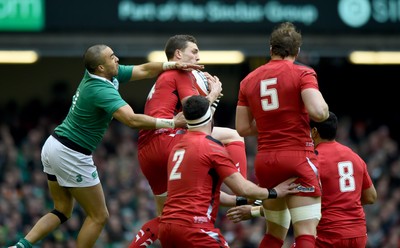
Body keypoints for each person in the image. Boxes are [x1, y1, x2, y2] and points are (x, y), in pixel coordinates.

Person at [10, 44, 203, 248]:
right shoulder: (99, 90)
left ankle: (21, 246)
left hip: (54, 145)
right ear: (101, 68)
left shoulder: (102, 73)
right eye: (112, 57)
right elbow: (132, 120)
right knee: (99, 216)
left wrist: (172, 64)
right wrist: (173, 122)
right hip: (71, 153)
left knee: (62, 210)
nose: (117, 59)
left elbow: (144, 70)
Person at [129, 34, 247, 247]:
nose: (198, 56)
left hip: (147, 151)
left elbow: (197, 117)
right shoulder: (180, 72)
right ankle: (242, 189)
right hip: (169, 142)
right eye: (194, 51)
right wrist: (214, 94)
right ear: (178, 54)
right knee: (233, 136)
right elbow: (195, 114)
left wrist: (209, 99)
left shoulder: (163, 77)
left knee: (167, 219)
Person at [158, 95, 299, 247]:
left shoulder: (177, 147)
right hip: (194, 229)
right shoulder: (211, 147)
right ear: (210, 118)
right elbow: (243, 188)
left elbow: (205, 194)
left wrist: (242, 201)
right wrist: (274, 192)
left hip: (167, 228)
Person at [235, 21, 329, 248]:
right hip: (298, 156)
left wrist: (272, 121)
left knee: (275, 231)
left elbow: (242, 128)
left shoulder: (248, 80)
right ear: (297, 51)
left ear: (271, 49)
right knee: (305, 230)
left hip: (266, 161)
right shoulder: (303, 72)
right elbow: (319, 111)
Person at [227, 112, 378, 248]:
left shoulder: (311, 161)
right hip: (358, 236)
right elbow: (371, 197)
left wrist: (252, 210)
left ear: (313, 132)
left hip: (328, 237)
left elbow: (281, 195)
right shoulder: (355, 157)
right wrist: (344, 203)